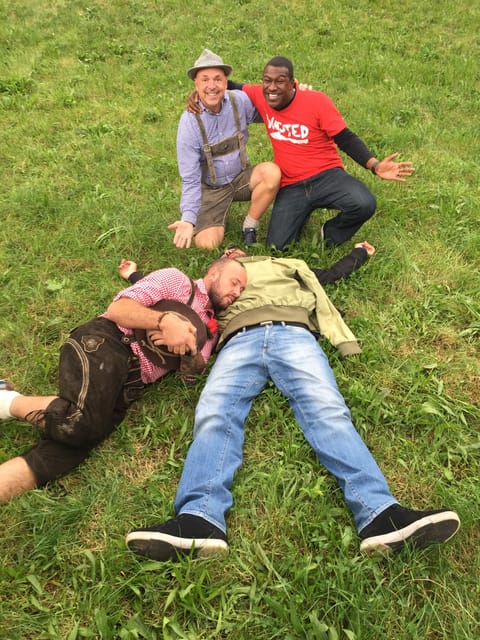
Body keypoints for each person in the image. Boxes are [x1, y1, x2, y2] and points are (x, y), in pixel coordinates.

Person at [125, 247, 460, 560]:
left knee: (326, 409)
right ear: (222, 262)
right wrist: (135, 278)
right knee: (214, 413)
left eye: (242, 283)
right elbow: (175, 298)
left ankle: (380, 514)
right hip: (237, 343)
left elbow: (325, 278)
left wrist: (358, 255)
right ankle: (199, 518)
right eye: (234, 280)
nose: (238, 288)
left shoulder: (287, 266)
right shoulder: (212, 290)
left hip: (294, 333)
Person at [0, 258, 247, 503]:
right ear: (213, 273)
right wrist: (163, 321)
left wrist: (191, 352)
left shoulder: (211, 333)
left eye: (242, 290)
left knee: (71, 448)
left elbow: (189, 378)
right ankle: (5, 399)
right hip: (106, 345)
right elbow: (118, 309)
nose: (236, 292)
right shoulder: (176, 281)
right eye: (234, 283)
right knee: (79, 422)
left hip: (129, 386)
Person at [190, 56, 415, 250]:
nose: (272, 87)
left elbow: (345, 138)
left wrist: (374, 165)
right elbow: (229, 85)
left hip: (327, 176)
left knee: (364, 203)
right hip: (291, 185)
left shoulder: (317, 101)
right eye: (267, 81)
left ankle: (327, 235)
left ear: (293, 83)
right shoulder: (260, 94)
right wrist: (198, 94)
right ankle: (300, 214)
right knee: (277, 247)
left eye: (280, 81)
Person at [169, 49, 281, 250]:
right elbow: (190, 178)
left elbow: (270, 110)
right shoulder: (189, 123)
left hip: (241, 178)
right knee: (207, 245)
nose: (212, 86)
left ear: (226, 81)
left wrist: (297, 93)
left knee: (271, 173)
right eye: (204, 80)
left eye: (217, 79)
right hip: (212, 189)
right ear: (196, 83)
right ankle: (216, 215)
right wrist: (188, 219)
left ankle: (249, 225)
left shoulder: (239, 100)